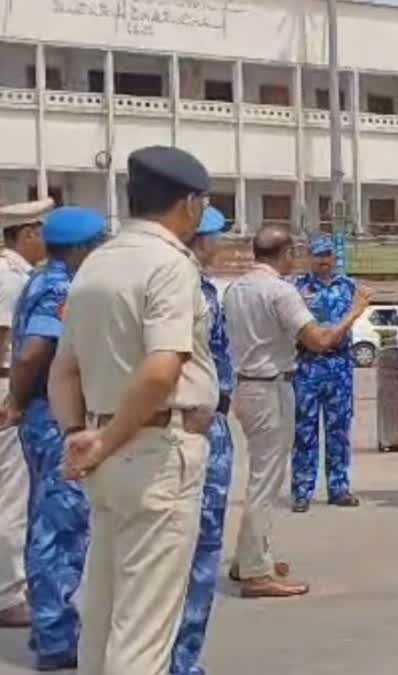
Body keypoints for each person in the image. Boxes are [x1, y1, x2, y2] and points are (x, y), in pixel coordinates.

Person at [47, 146, 217, 674]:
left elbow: (64, 368)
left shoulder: (97, 261)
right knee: (144, 629)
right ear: (189, 204)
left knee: (102, 611)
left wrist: (79, 432)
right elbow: (162, 369)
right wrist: (108, 438)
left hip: (105, 450)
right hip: (154, 452)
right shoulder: (169, 265)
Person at [224, 223, 370, 598]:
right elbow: (319, 340)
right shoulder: (281, 291)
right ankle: (257, 572)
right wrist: (354, 313)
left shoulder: (237, 287)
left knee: (261, 475)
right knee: (265, 482)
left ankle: (250, 557)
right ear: (285, 254)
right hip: (270, 386)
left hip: (248, 383)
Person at [6, 206, 105, 670]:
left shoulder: (39, 279)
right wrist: (19, 400)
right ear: (83, 248)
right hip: (53, 417)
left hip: (43, 415)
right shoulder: (61, 287)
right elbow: (32, 353)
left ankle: (50, 626)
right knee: (60, 528)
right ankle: (56, 636)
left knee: (47, 520)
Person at [168, 207, 233, 675]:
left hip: (204, 420)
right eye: (216, 237)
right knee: (196, 546)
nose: (221, 246)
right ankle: (180, 660)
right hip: (193, 425)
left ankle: (177, 655)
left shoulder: (199, 285)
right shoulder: (184, 284)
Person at [0, 198, 49, 631]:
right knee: (11, 495)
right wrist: (13, 398)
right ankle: (9, 593)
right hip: (6, 386)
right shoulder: (11, 278)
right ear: (27, 233)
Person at [291, 236, 360, 512]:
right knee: (305, 430)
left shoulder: (349, 287)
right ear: (310, 257)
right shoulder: (298, 288)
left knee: (339, 430)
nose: (323, 260)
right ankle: (302, 490)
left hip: (339, 365)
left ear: (334, 258)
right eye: (318, 255)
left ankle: (339, 487)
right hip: (308, 365)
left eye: (327, 255)